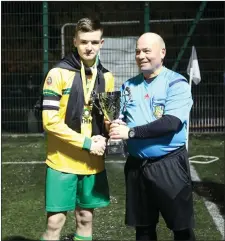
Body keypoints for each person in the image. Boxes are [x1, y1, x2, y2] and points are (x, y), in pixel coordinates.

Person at [109, 32, 195, 241]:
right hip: (137, 166)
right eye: (138, 51)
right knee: (144, 229)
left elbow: (170, 123)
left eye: (147, 51)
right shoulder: (128, 86)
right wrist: (112, 125)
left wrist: (130, 132)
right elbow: (118, 117)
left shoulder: (176, 83)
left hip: (169, 164)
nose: (141, 56)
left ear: (162, 52)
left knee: (181, 229)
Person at [41, 17, 114, 241]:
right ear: (74, 41)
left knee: (85, 218)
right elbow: (50, 120)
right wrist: (87, 142)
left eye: (93, 42)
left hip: (91, 161)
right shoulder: (57, 74)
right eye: (83, 42)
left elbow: (108, 118)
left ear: (101, 43)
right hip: (61, 161)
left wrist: (111, 132)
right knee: (55, 222)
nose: (89, 47)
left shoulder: (108, 77)